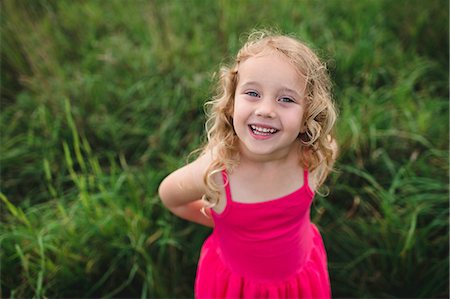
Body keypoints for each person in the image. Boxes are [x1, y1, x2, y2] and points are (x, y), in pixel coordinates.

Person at [159, 30, 338, 299]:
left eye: (286, 99)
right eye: (252, 93)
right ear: (231, 103)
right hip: (236, 286)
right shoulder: (218, 170)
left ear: (307, 117)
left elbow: (332, 148)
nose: (266, 109)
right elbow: (170, 196)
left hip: (299, 280)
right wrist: (221, 222)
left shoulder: (312, 158)